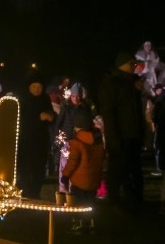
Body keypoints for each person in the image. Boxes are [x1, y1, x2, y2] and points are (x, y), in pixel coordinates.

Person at [98, 52, 146, 211]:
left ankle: (134, 201)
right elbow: (109, 113)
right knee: (117, 170)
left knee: (133, 170)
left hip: (133, 136)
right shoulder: (112, 84)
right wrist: (113, 138)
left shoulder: (131, 83)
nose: (135, 67)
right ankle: (115, 202)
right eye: (132, 63)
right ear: (124, 64)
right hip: (121, 136)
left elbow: (136, 112)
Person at [62, 110, 105, 233]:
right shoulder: (98, 140)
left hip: (79, 182)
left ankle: (78, 224)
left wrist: (65, 175)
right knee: (91, 203)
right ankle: (91, 223)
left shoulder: (76, 143)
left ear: (77, 126)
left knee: (78, 204)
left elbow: (72, 162)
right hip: (93, 180)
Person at [16, 72, 55, 199]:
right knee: (26, 169)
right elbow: (20, 119)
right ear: (29, 87)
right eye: (34, 87)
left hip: (41, 141)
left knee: (39, 169)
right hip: (26, 140)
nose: (37, 89)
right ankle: (25, 193)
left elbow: (51, 114)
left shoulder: (45, 99)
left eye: (39, 87)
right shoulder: (22, 100)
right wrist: (38, 117)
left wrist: (50, 117)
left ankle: (35, 193)